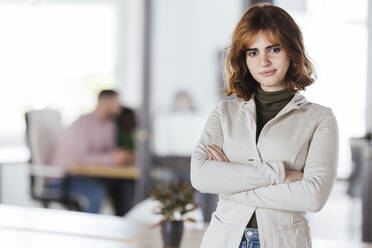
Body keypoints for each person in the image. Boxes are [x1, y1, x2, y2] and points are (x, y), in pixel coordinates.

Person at [190, 3, 339, 248]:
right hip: (223, 240)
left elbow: (313, 196)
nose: (264, 61)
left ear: (292, 51)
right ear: (244, 58)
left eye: (274, 49)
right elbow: (201, 176)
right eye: (253, 52)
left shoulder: (320, 118)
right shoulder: (223, 113)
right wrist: (279, 174)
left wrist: (231, 183)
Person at [49, 89, 135, 215]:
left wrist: (122, 156)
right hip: (64, 177)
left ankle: (123, 223)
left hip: (89, 175)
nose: (120, 106)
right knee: (96, 192)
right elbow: (79, 159)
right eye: (117, 102)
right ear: (106, 102)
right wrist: (111, 159)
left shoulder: (109, 125)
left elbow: (108, 152)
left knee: (125, 185)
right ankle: (88, 230)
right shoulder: (83, 123)